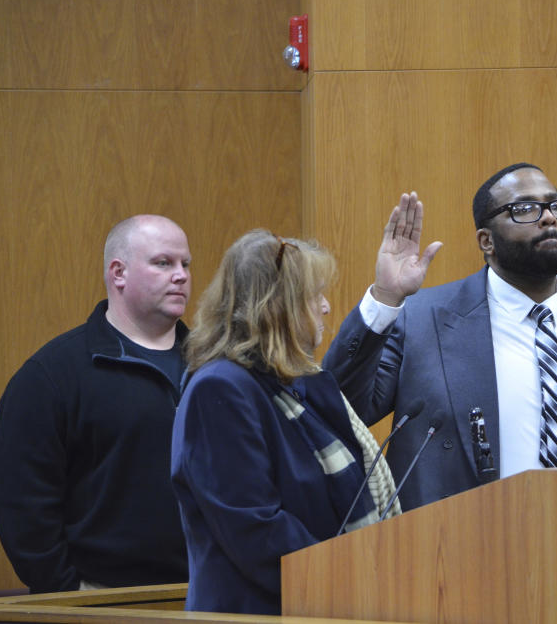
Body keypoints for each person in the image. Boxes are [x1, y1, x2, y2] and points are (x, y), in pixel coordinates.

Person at [323, 163, 557, 511]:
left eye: (556, 205)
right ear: (487, 241)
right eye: (524, 209)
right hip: (454, 551)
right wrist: (384, 298)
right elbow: (339, 408)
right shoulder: (423, 320)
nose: (548, 218)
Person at [171, 231, 399, 615]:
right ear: (278, 307)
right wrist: (355, 577)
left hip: (314, 604)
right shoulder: (219, 390)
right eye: (315, 296)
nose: (326, 307)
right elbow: (255, 529)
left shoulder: (287, 384)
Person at [0, 214, 192, 593]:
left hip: (210, 594)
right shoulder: (51, 375)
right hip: (101, 600)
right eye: (163, 263)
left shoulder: (214, 365)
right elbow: (23, 504)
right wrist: (70, 594)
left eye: (185, 264)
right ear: (118, 273)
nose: (180, 275)